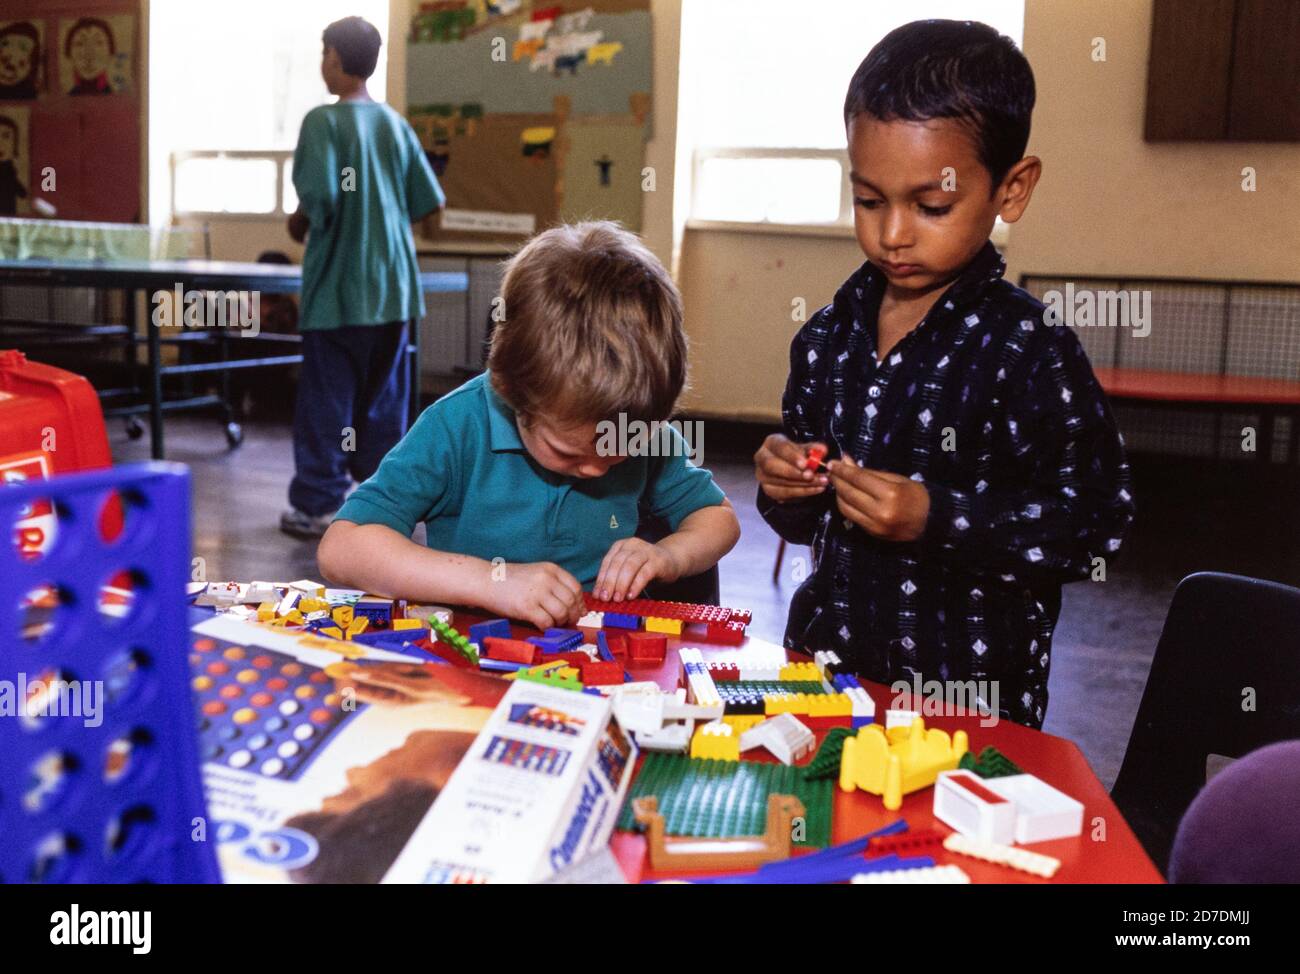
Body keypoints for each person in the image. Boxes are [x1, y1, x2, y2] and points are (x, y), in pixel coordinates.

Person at [754, 20, 1134, 728]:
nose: (892, 233)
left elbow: (1096, 524)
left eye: (931, 206)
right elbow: (799, 517)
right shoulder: (826, 338)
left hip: (968, 709)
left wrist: (938, 518)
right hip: (826, 685)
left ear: (1011, 190)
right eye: (869, 200)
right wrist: (787, 482)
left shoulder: (1030, 350)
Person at [317, 221, 741, 631]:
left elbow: (718, 519)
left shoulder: (640, 428)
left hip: (601, 652)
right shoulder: (456, 427)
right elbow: (342, 549)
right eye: (569, 452)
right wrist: (490, 581)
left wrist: (669, 556)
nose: (598, 468)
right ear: (511, 392)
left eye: (623, 444)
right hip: (473, 654)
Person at [280, 16, 445, 540]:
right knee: (384, 403)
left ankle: (318, 503)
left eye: (323, 52)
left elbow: (321, 200)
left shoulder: (321, 123)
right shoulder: (396, 125)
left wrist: (297, 222)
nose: (321, 63)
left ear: (334, 58)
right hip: (394, 290)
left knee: (327, 401)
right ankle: (381, 503)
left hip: (338, 291)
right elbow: (429, 205)